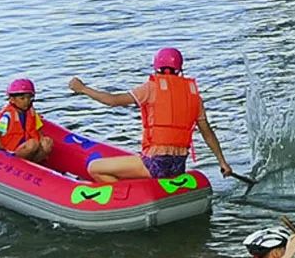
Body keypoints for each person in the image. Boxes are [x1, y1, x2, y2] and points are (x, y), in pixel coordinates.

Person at [67, 46, 233, 184]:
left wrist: (83, 89)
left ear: (156, 67)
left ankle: (127, 198)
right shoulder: (194, 96)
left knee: (93, 167)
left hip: (155, 164)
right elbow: (207, 133)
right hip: (178, 165)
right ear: (179, 69)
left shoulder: (150, 89)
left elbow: (113, 100)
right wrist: (222, 162)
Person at [0, 78, 53, 163]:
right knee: (32, 144)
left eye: (29, 98)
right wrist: (4, 152)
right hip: (13, 150)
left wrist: (42, 141)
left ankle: (35, 165)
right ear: (12, 100)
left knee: (47, 142)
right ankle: (18, 165)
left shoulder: (31, 112)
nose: (26, 101)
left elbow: (38, 129)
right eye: (22, 98)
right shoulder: (7, 116)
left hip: (28, 145)